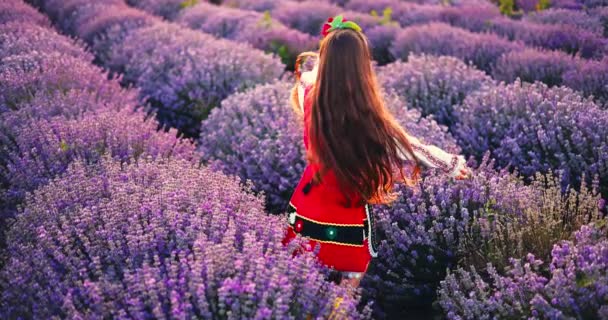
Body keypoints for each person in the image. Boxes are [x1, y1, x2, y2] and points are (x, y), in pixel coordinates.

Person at [281, 15, 471, 292]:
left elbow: (306, 79)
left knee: (296, 283)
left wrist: (318, 66)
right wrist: (450, 164)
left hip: (307, 205)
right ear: (361, 68)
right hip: (343, 213)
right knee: (348, 283)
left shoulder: (307, 93)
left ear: (325, 60)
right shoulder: (365, 117)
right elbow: (407, 146)